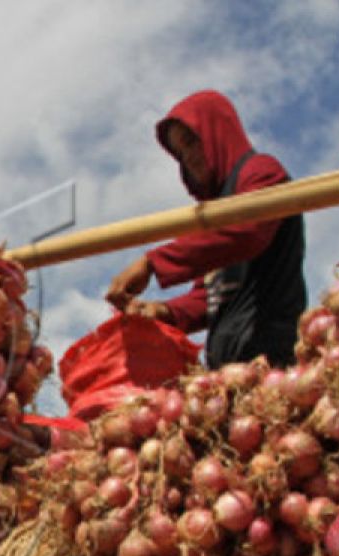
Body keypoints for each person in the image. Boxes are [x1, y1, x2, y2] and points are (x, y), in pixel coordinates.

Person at [104, 90, 306, 369]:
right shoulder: (214, 212)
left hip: (272, 363)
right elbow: (207, 297)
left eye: (191, 142)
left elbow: (245, 232)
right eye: (180, 153)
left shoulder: (261, 172)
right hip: (229, 373)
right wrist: (162, 311)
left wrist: (152, 263)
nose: (188, 158)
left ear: (216, 132)